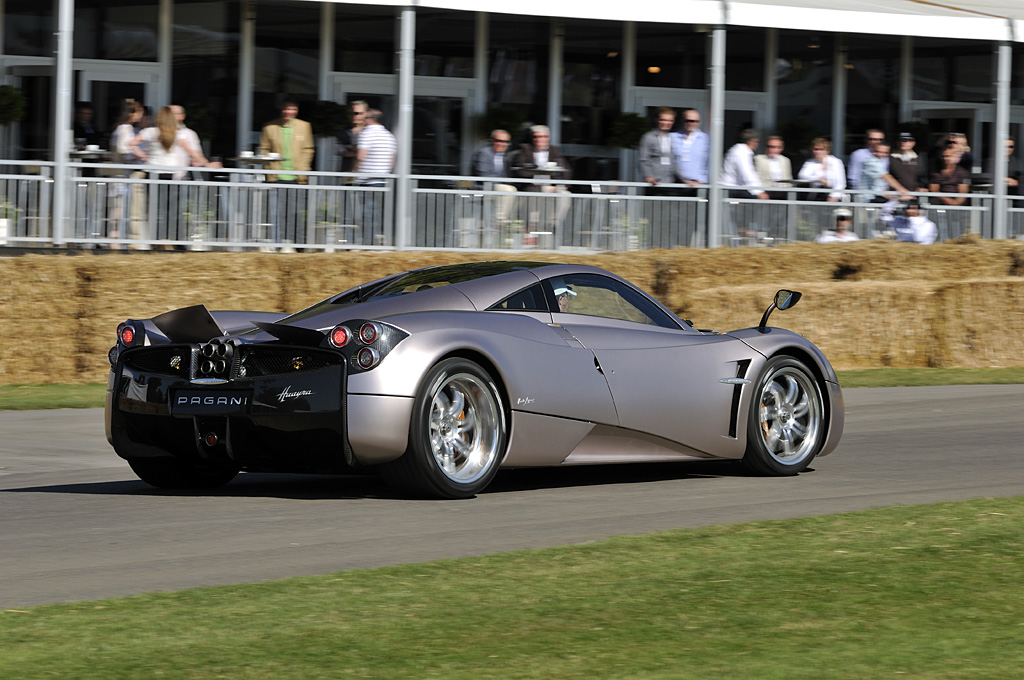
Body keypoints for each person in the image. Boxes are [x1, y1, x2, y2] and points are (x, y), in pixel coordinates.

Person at [511, 124, 572, 238]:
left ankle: (553, 223)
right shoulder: (525, 149)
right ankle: (533, 231)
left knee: (565, 195)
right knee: (542, 193)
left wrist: (563, 185)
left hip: (552, 188)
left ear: (548, 138)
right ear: (532, 138)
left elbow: (566, 170)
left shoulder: (554, 150)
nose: (540, 139)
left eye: (543, 136)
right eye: (536, 137)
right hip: (532, 187)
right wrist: (532, 177)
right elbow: (519, 169)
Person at [352, 108, 397, 244]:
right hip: (383, 181)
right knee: (376, 214)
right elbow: (392, 160)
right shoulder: (389, 136)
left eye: (364, 117)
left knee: (366, 215)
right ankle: (373, 242)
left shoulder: (367, 134)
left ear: (370, 119)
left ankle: (367, 243)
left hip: (367, 181)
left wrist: (353, 172)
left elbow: (361, 156)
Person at [259, 101, 315, 184]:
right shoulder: (269, 127)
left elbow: (308, 149)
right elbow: (264, 149)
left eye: (293, 109)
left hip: (298, 175)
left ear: (297, 111)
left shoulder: (304, 126)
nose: (289, 112)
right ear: (281, 110)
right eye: (286, 109)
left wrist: (303, 166)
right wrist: (269, 166)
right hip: (275, 174)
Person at [472, 129, 517, 227]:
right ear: (492, 141)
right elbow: (483, 175)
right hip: (483, 188)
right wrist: (502, 183)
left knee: (518, 193)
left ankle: (512, 223)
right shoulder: (484, 153)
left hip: (498, 187)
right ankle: (500, 221)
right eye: (499, 141)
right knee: (509, 190)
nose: (502, 144)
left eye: (506, 142)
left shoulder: (506, 156)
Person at [169, 104, 222, 174]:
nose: (168, 116)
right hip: (155, 175)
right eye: (167, 114)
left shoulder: (187, 134)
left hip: (177, 177)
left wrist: (204, 163)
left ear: (182, 116)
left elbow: (196, 157)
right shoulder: (154, 132)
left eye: (172, 114)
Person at [720, 129, 768, 200]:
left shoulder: (736, 150)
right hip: (731, 189)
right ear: (753, 142)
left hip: (727, 188)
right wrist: (758, 191)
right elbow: (747, 173)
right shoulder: (742, 153)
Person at [639, 107, 678, 190]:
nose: (666, 123)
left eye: (670, 120)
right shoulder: (649, 137)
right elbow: (644, 159)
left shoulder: (674, 138)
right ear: (657, 120)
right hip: (655, 183)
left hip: (672, 182)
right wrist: (649, 176)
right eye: (663, 120)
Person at [671, 108, 709, 189]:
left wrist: (702, 181)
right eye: (688, 120)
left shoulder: (706, 139)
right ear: (682, 121)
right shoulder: (672, 137)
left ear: (699, 122)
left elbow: (710, 162)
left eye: (695, 121)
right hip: (675, 183)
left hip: (698, 185)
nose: (691, 123)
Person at [797, 137, 846, 201]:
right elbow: (802, 175)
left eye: (820, 149)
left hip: (833, 194)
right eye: (815, 149)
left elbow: (840, 183)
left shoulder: (836, 162)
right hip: (815, 195)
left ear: (827, 151)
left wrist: (834, 196)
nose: (817, 152)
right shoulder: (810, 162)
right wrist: (819, 179)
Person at [338, 100, 367, 173]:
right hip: (347, 174)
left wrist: (351, 148)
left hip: (367, 174)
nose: (355, 116)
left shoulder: (370, 131)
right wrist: (361, 152)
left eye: (359, 113)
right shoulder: (344, 131)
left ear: (366, 114)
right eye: (352, 113)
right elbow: (339, 150)